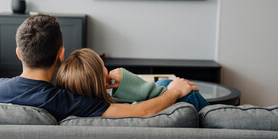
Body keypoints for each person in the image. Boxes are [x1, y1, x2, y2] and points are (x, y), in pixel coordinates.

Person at [0, 14, 199, 121]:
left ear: (19, 53)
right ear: (61, 54)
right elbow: (142, 111)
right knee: (166, 85)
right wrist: (175, 92)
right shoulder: (66, 102)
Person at [56, 48, 209, 112]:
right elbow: (145, 110)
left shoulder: (80, 105)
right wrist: (175, 90)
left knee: (163, 83)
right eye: (103, 66)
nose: (107, 69)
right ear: (98, 80)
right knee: (177, 89)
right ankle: (211, 111)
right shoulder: (108, 111)